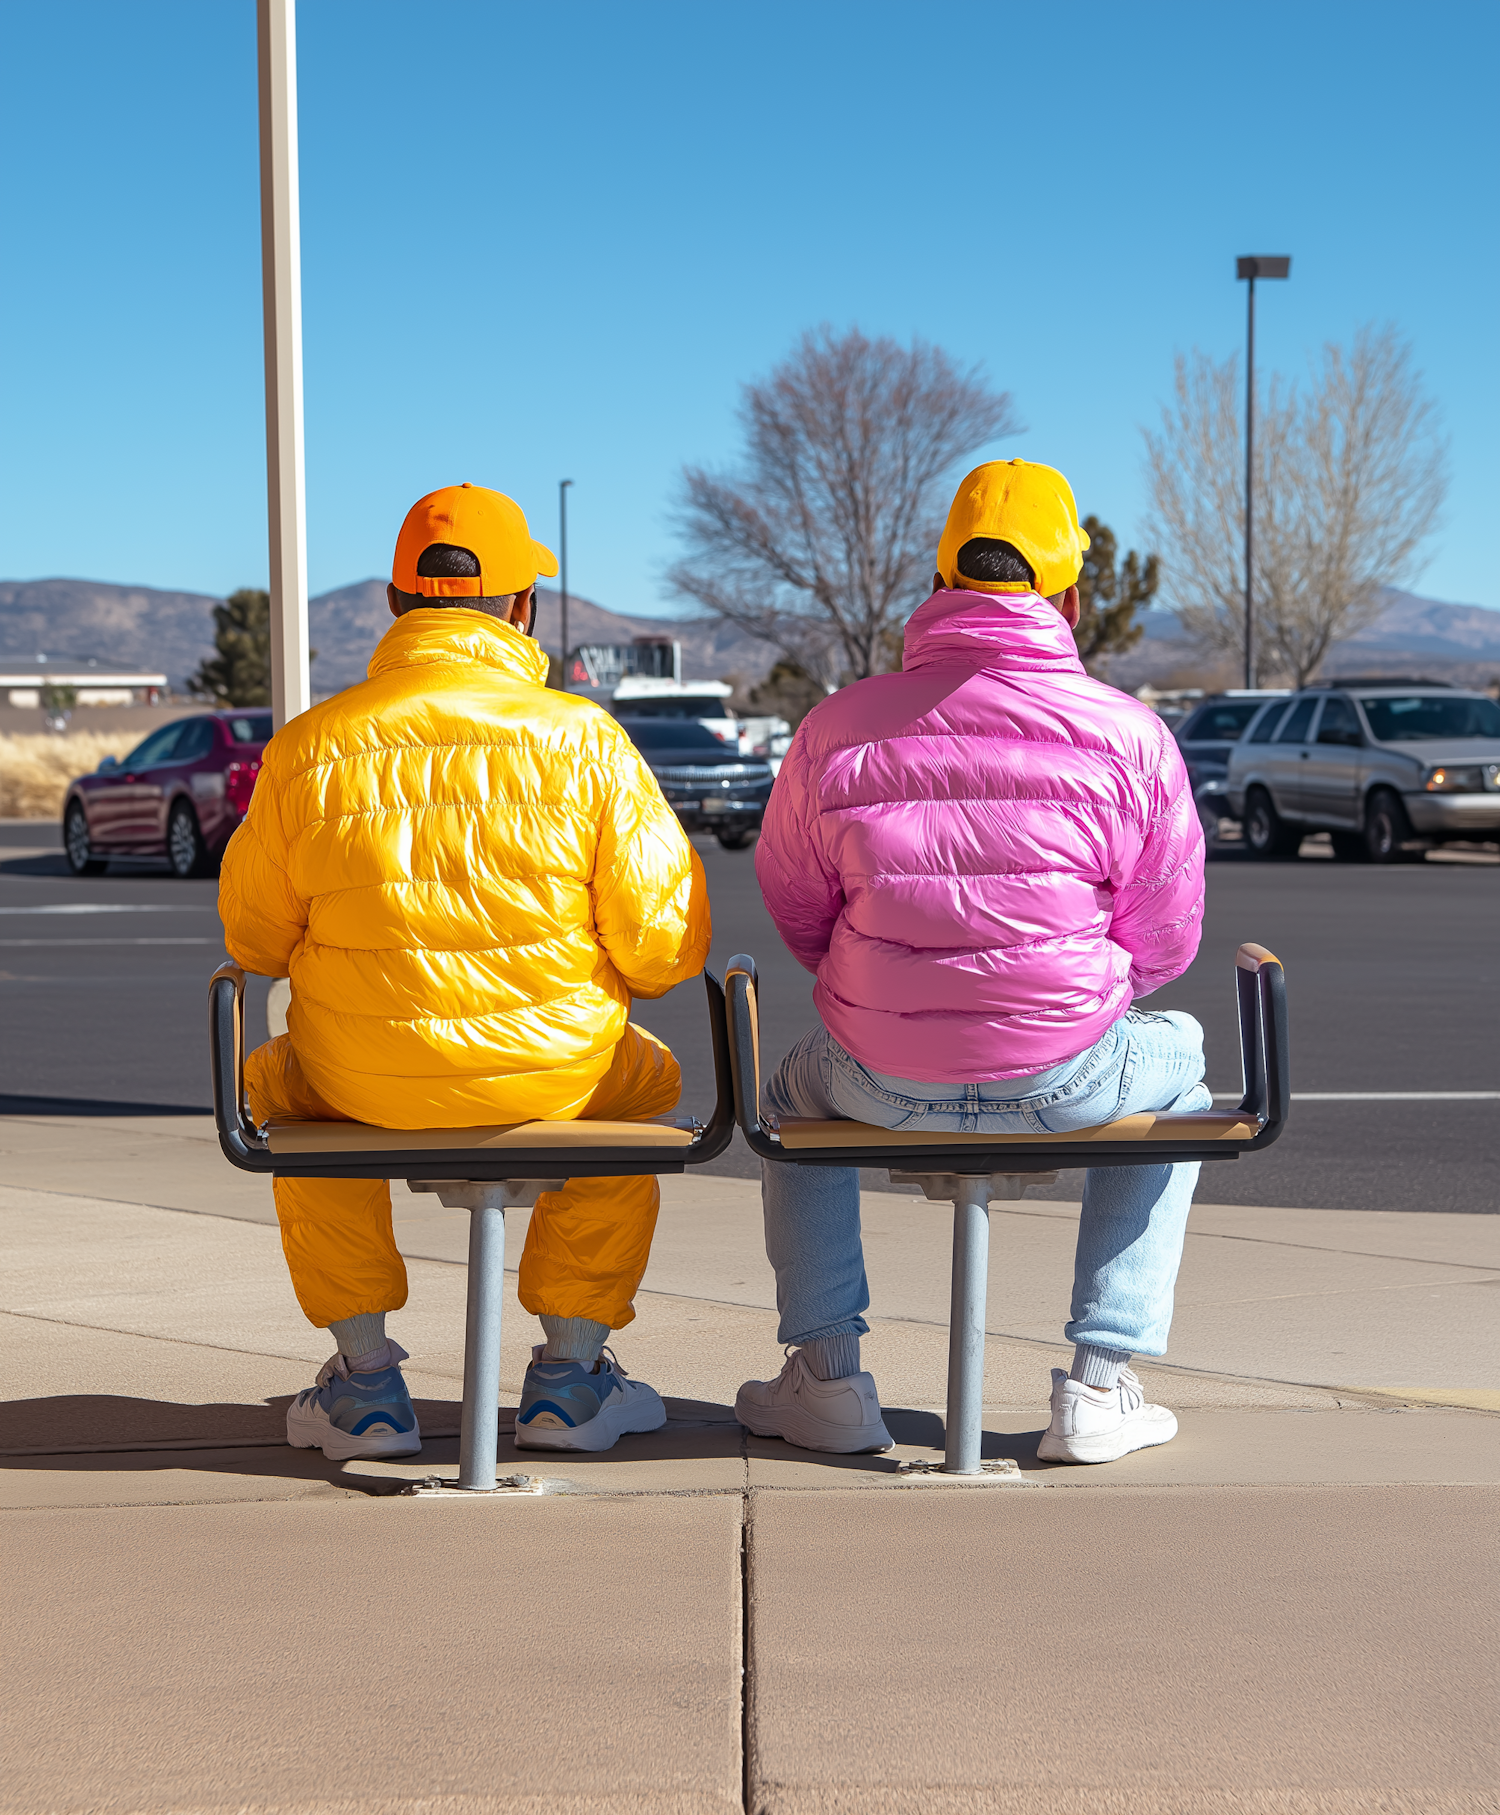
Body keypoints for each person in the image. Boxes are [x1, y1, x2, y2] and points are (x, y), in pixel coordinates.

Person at [220, 483, 709, 1461]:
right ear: (521, 608)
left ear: (398, 605)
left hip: (362, 1082)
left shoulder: (309, 750)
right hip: (554, 1074)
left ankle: (365, 1386)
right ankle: (570, 1378)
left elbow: (255, 941)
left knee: (282, 1088)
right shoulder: (587, 745)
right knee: (642, 1085)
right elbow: (663, 953)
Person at [736, 459, 1207, 1464]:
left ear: (941, 582)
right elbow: (1164, 941)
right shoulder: (1130, 736)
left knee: (791, 1088)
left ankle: (825, 1377)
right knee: (1185, 1064)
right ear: (1070, 597)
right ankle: (1101, 1381)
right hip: (1068, 1076)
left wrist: (892, 989)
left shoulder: (835, 727)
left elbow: (796, 906)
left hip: (878, 1080)